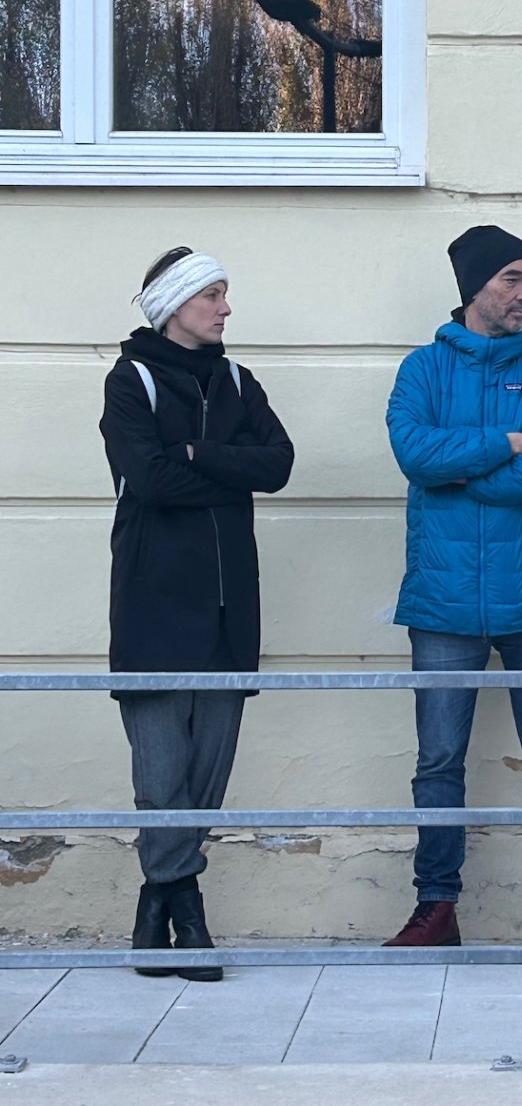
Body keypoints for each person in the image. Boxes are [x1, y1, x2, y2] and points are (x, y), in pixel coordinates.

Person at [384, 225, 522, 950]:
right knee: (438, 761)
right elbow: (415, 454)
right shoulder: (422, 369)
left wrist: (462, 474)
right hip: (442, 602)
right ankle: (436, 908)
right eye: (512, 279)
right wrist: (505, 443)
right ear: (475, 285)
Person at [100, 247, 293, 979]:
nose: (225, 308)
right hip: (152, 606)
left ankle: (158, 906)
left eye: (224, 293)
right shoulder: (132, 381)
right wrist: (226, 468)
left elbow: (278, 464)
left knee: (208, 772)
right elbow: (148, 480)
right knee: (161, 773)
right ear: (175, 304)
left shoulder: (238, 381)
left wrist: (192, 451)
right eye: (212, 295)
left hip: (227, 609)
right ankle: (185, 910)